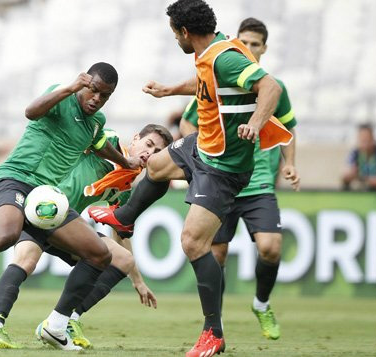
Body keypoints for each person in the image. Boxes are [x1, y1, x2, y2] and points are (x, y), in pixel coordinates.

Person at [88, 2, 292, 356]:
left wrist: (256, 123)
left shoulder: (225, 57)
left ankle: (213, 332)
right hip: (203, 145)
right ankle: (125, 218)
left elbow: (269, 87)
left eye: (174, 33)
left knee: (194, 244)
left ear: (184, 32)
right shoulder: (213, 51)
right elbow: (205, 82)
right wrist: (169, 91)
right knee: (157, 166)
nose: (174, 39)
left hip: (223, 167)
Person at [0, 63, 141, 349]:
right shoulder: (61, 98)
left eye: (104, 96)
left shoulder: (95, 122)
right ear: (84, 83)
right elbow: (30, 111)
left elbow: (99, 145)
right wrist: (69, 88)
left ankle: (56, 326)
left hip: (47, 197)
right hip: (14, 179)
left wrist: (126, 162)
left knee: (99, 254)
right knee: (6, 235)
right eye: (93, 90)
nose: (96, 99)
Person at [0, 124, 172, 349]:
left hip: (67, 224)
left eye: (157, 152)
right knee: (26, 259)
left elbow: (120, 229)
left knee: (124, 259)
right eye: (148, 145)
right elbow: (75, 136)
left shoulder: (125, 185)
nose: (149, 153)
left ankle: (67, 320)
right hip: (41, 206)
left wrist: (137, 280)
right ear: (135, 138)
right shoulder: (109, 140)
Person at [177, 18, 300, 340]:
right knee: (214, 255)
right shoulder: (219, 78)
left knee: (271, 247)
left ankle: (261, 303)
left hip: (257, 185)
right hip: (221, 178)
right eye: (243, 42)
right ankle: (214, 326)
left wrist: (290, 164)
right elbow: (188, 124)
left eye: (255, 44)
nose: (249, 48)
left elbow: (287, 129)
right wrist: (202, 160)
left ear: (264, 48)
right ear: (237, 43)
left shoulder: (272, 88)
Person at [342, 123, 376, 191]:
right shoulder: (355, 153)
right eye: (362, 140)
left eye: (368, 139)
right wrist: (350, 174)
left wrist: (363, 178)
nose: (365, 143)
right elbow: (345, 176)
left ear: (373, 138)